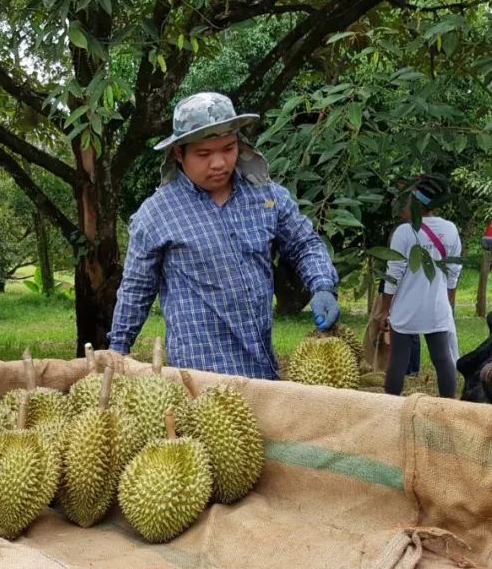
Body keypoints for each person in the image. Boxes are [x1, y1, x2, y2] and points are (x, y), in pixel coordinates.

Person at [107, 92, 339, 380]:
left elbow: (304, 244)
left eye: (228, 148)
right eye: (204, 154)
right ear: (179, 154)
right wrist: (117, 350)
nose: (218, 163)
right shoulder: (156, 214)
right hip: (198, 380)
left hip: (262, 374)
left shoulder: (267, 197)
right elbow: (136, 291)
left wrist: (322, 285)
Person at [379, 174, 461, 398]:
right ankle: (448, 404)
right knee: (442, 358)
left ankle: (390, 404)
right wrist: (449, 304)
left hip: (406, 309)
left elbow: (392, 275)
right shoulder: (451, 229)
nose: (401, 206)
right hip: (436, 308)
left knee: (399, 359)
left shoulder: (405, 232)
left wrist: (385, 309)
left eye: (404, 200)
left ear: (416, 203)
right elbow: (453, 272)